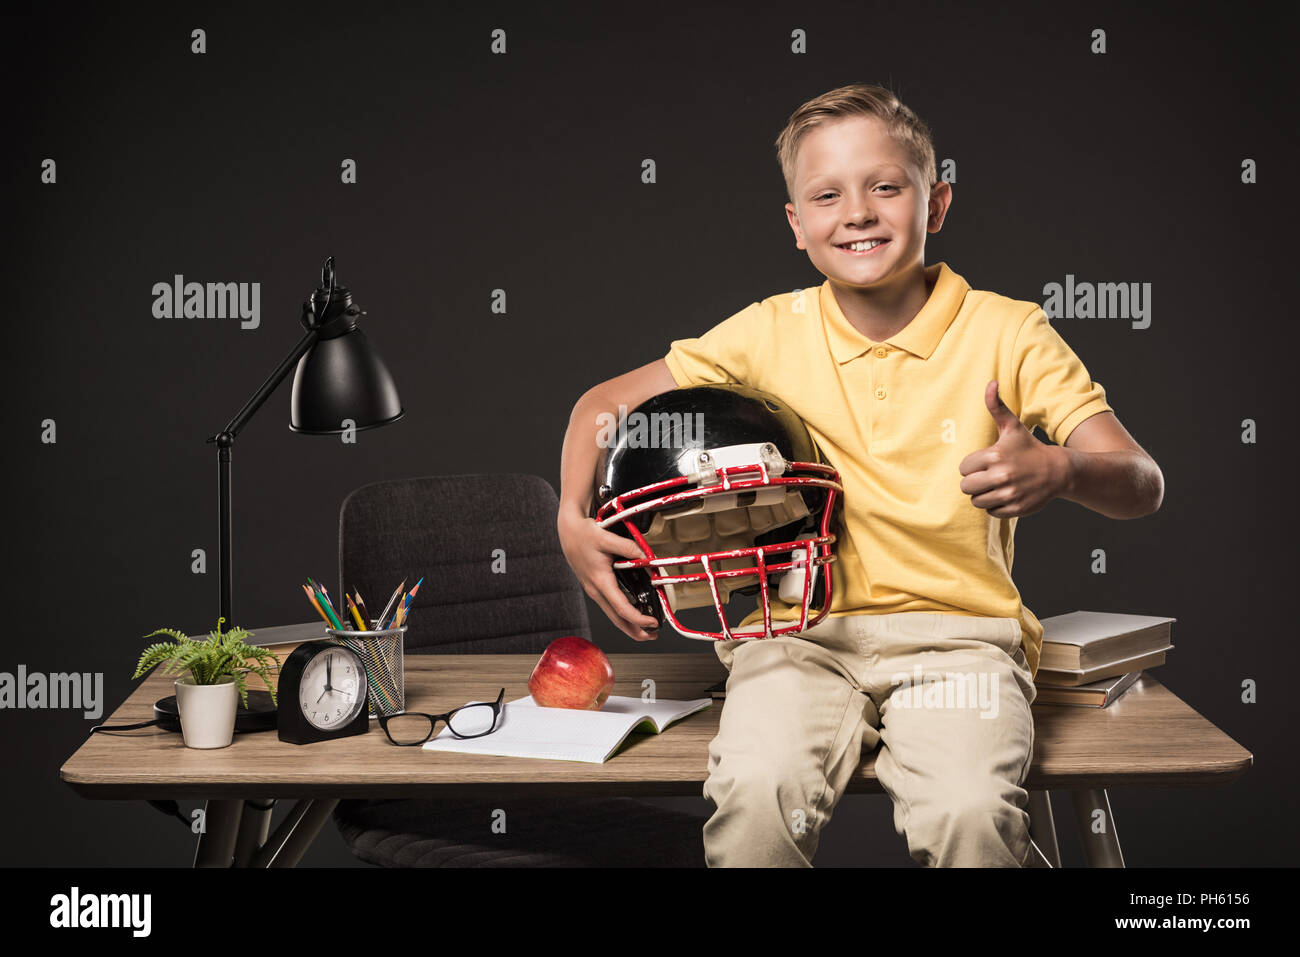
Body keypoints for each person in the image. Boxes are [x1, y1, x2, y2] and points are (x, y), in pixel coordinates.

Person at [556, 82, 1164, 867]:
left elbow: (1141, 479)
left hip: (960, 646)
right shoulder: (769, 329)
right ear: (797, 225)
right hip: (795, 639)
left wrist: (1062, 467)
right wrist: (573, 517)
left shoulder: (1008, 331)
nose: (858, 212)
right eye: (827, 195)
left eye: (886, 186)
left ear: (935, 201)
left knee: (971, 814)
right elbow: (599, 406)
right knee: (754, 800)